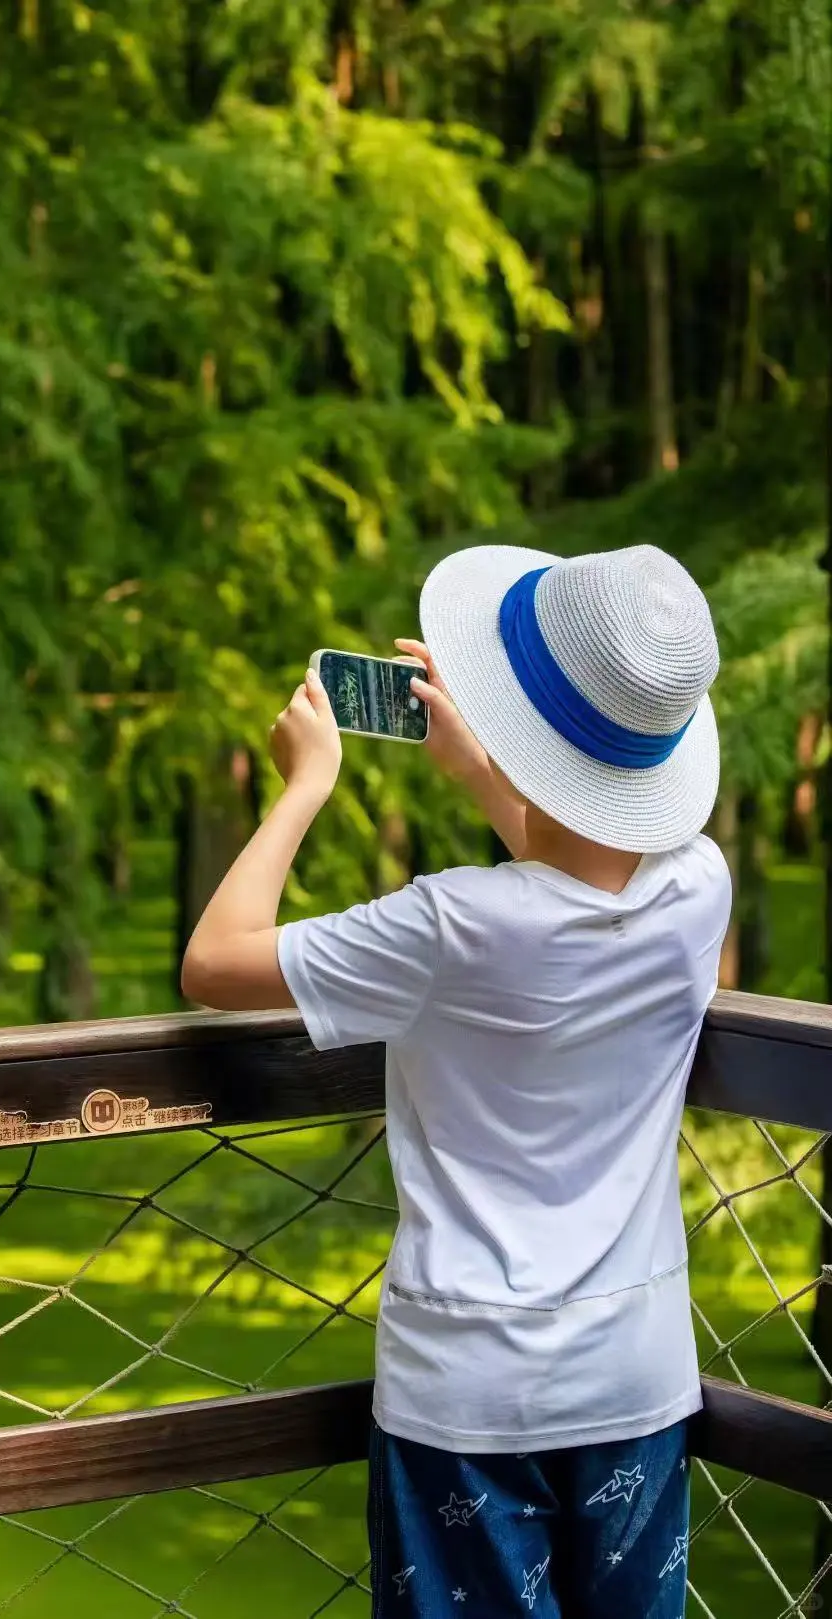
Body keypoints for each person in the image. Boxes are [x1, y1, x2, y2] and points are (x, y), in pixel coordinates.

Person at [181, 543, 731, 1618]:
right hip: (637, 1377)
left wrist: (307, 784)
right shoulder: (696, 888)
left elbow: (216, 959)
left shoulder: (450, 924)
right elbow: (581, 875)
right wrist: (485, 768)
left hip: (471, 1396)